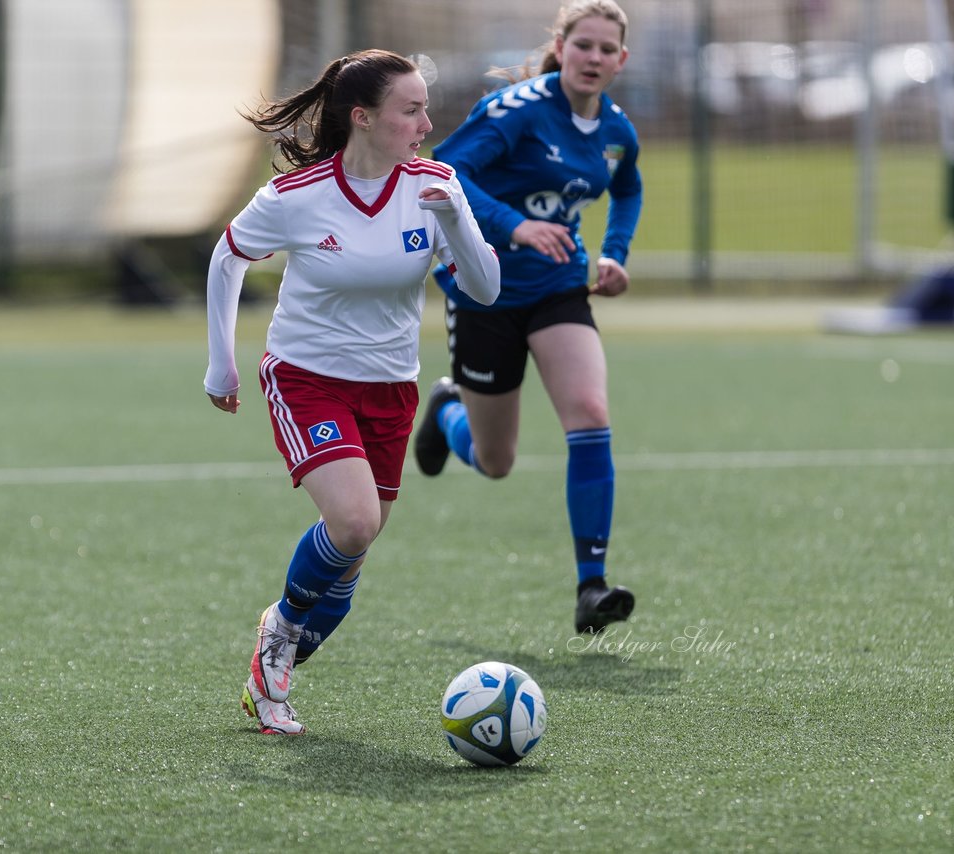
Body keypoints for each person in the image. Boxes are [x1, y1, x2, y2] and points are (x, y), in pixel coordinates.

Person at [204, 49, 500, 735]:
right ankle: (276, 635)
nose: (426, 123)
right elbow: (227, 257)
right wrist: (221, 366)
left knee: (349, 562)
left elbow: (485, 290)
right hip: (306, 378)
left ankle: (282, 648)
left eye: (426, 107)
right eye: (411, 110)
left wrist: (453, 217)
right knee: (355, 523)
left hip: (391, 389)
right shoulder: (297, 197)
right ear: (363, 118)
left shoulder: (438, 185)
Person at [415, 0, 642, 635]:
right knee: (496, 461)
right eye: (584, 46)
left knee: (591, 415)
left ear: (621, 60)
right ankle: (446, 409)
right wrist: (516, 226)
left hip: (558, 290)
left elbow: (628, 187)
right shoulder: (517, 111)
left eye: (606, 49)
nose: (594, 58)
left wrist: (615, 254)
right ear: (561, 48)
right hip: (482, 289)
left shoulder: (618, 131)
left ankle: (591, 587)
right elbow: (447, 171)